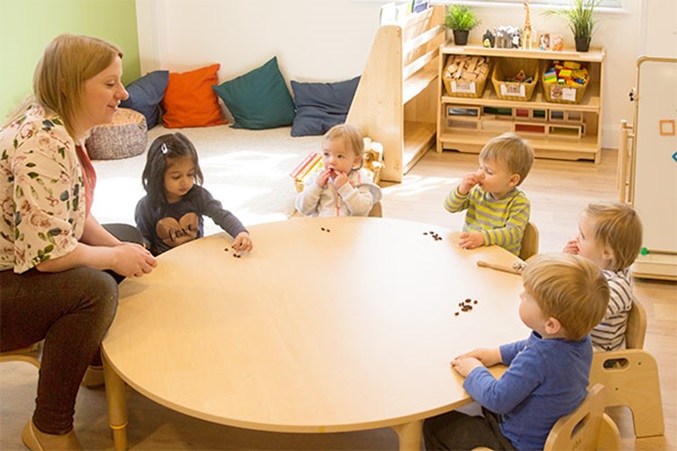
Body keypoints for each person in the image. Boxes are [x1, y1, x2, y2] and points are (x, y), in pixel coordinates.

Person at [0, 34, 157, 450]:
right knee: (94, 288)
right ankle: (48, 428)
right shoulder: (42, 144)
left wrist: (119, 251)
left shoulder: (61, 126)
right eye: (110, 84)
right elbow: (50, 256)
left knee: (125, 237)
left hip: (17, 262)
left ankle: (84, 358)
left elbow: (67, 214)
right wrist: (113, 259)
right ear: (71, 85)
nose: (123, 93)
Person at [423, 253, 609, 451]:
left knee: (435, 424)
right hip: (545, 431)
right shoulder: (579, 340)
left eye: (527, 296)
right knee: (482, 398)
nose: (521, 295)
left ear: (551, 324)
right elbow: (531, 343)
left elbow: (497, 399)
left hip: (517, 443)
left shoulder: (538, 360)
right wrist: (497, 354)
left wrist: (474, 369)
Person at [135, 132, 253, 256]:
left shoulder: (198, 196)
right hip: (166, 263)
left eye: (190, 174)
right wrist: (142, 246)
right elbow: (144, 236)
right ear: (158, 176)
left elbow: (221, 215)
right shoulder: (146, 206)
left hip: (197, 256)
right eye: (176, 177)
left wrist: (240, 232)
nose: (185, 182)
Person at [563, 202, 643, 351]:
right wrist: (567, 260)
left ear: (606, 253)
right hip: (583, 340)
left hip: (599, 353)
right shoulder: (597, 264)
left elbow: (579, 318)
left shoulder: (616, 288)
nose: (576, 239)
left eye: (583, 236)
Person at [444, 132, 534, 256]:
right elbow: (450, 207)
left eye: (489, 172)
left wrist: (483, 238)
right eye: (480, 167)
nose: (480, 174)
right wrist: (462, 190)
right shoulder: (477, 191)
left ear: (512, 180)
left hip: (500, 259)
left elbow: (513, 233)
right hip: (472, 253)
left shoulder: (519, 203)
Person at [295, 124, 382, 217]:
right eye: (326, 154)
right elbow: (303, 209)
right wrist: (316, 187)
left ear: (355, 161)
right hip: (321, 228)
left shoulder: (360, 180)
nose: (331, 161)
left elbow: (362, 210)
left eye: (340, 156)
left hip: (351, 228)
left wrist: (345, 188)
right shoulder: (315, 179)